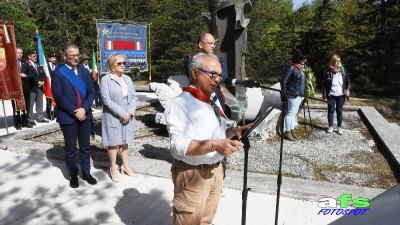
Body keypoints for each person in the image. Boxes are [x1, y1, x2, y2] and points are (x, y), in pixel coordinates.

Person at [165, 53, 249, 225]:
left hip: (215, 170)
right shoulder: (181, 103)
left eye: (219, 75)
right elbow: (176, 146)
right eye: (212, 74)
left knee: (205, 221)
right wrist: (215, 145)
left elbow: (216, 132)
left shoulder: (210, 99)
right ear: (195, 73)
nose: (217, 79)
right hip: (192, 173)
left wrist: (233, 131)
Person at [51, 44, 97, 188]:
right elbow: (59, 96)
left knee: (85, 147)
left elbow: (91, 92)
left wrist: (85, 108)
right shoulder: (58, 73)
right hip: (68, 117)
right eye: (72, 55)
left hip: (85, 115)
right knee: (70, 149)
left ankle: (86, 173)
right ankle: (73, 175)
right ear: (65, 56)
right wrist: (75, 111)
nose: (76, 57)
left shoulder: (84, 71)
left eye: (78, 54)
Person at [100, 53, 137, 182]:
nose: (123, 65)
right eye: (119, 63)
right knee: (113, 143)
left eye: (124, 63)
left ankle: (126, 166)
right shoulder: (106, 80)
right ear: (112, 65)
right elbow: (107, 100)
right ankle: (113, 168)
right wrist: (122, 114)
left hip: (128, 115)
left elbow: (133, 97)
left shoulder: (127, 78)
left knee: (125, 141)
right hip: (113, 116)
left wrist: (130, 113)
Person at [280, 49, 306, 141]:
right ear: (299, 59)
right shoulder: (291, 67)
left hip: (299, 94)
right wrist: (283, 93)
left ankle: (292, 130)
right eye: (303, 59)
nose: (305, 60)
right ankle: (287, 132)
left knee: (293, 114)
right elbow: (283, 81)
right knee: (290, 114)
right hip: (292, 94)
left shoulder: (299, 67)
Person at [324, 54, 351, 135]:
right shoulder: (328, 71)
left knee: (339, 111)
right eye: (337, 61)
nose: (339, 63)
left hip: (341, 95)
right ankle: (330, 127)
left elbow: (348, 81)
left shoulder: (343, 70)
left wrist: (347, 90)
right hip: (331, 94)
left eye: (340, 61)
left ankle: (339, 127)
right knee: (331, 111)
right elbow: (324, 84)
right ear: (333, 62)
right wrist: (325, 95)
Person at [12, 47, 32, 129]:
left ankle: (25, 121)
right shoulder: (11, 63)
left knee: (26, 106)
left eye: (21, 53)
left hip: (25, 88)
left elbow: (32, 74)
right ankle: (18, 123)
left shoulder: (25, 63)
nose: (20, 54)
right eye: (18, 52)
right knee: (16, 107)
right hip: (15, 88)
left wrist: (25, 75)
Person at [25, 50, 48, 125]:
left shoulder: (38, 65)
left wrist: (43, 82)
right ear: (29, 56)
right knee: (30, 104)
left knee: (39, 103)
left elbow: (43, 75)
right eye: (34, 56)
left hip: (40, 87)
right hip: (31, 87)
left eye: (36, 56)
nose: (35, 57)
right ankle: (30, 119)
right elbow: (25, 76)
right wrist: (37, 82)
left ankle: (40, 117)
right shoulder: (26, 64)